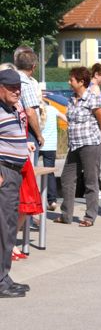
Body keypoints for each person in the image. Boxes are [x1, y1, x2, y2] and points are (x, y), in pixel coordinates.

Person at [55, 66, 101, 227]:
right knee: (67, 179)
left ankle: (89, 217)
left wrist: (100, 141)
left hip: (90, 144)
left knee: (90, 181)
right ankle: (66, 215)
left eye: (71, 79)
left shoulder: (92, 99)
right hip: (75, 145)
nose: (69, 82)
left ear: (81, 82)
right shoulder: (71, 99)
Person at [0, 69, 32, 297]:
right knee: (3, 228)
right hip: (4, 171)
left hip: (14, 172)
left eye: (18, 87)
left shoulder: (13, 107)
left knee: (9, 226)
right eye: (11, 88)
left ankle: (4, 276)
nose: (17, 91)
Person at [14, 49, 43, 170]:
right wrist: (39, 135)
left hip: (14, 130)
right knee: (30, 170)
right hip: (29, 132)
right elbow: (30, 112)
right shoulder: (26, 83)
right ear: (33, 66)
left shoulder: (12, 79)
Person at [39, 88, 66, 211]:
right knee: (49, 173)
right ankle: (52, 201)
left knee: (30, 172)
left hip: (38, 144)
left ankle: (32, 199)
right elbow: (66, 119)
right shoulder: (53, 109)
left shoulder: (37, 111)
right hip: (50, 146)